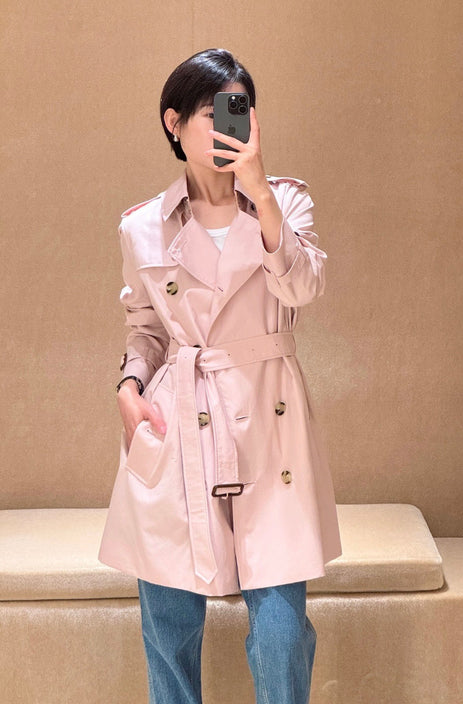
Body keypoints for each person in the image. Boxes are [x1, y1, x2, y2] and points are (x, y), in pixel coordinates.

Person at [98, 48, 342, 704]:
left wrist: (258, 193)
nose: (228, 125)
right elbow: (145, 328)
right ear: (173, 122)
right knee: (169, 629)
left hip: (269, 424)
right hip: (176, 421)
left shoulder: (283, 201)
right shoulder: (142, 226)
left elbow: (303, 289)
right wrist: (128, 387)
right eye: (211, 112)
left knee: (280, 635)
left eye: (238, 110)